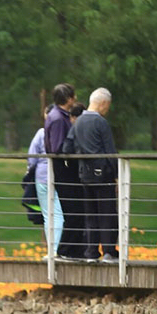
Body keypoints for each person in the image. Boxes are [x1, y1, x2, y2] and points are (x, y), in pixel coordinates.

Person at [71, 88, 118, 263]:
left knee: (90, 214)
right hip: (103, 174)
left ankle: (91, 252)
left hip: (85, 174)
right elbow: (110, 150)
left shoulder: (78, 122)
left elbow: (69, 146)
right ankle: (108, 251)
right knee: (107, 213)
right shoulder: (101, 123)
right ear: (104, 103)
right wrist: (116, 175)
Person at [38, 84, 76, 257]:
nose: (74, 99)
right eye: (73, 96)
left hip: (60, 169)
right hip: (62, 170)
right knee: (71, 211)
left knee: (68, 212)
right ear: (68, 99)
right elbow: (57, 148)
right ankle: (63, 251)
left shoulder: (56, 116)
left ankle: (65, 250)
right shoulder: (59, 119)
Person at [56, 102, 90, 260]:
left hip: (74, 177)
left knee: (78, 214)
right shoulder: (73, 130)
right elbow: (66, 149)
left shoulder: (73, 128)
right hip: (70, 177)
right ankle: (66, 249)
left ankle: (75, 250)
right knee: (74, 214)